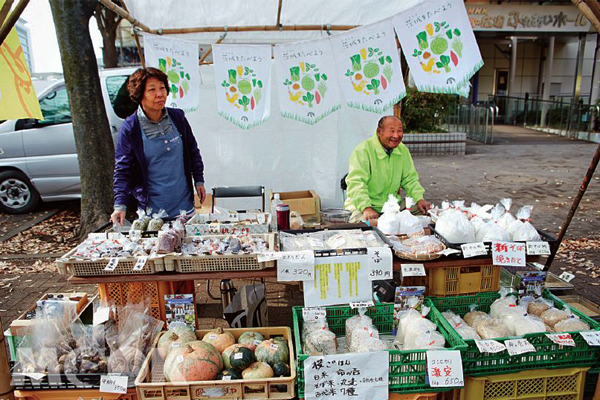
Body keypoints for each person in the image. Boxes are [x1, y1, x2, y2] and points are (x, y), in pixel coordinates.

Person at [110, 67, 206, 225]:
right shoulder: (131, 127)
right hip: (151, 212)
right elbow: (123, 169)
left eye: (162, 88)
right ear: (140, 94)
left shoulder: (178, 117)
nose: (160, 94)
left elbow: (192, 151)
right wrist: (120, 205)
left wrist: (199, 180)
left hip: (184, 206)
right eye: (152, 90)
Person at [344, 115, 431, 222]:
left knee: (424, 213)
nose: (396, 135)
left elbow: (410, 179)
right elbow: (356, 183)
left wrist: (419, 198)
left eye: (399, 131)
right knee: (367, 227)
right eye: (392, 131)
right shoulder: (363, 151)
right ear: (379, 131)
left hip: (392, 206)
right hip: (364, 206)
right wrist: (366, 207)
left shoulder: (402, 150)